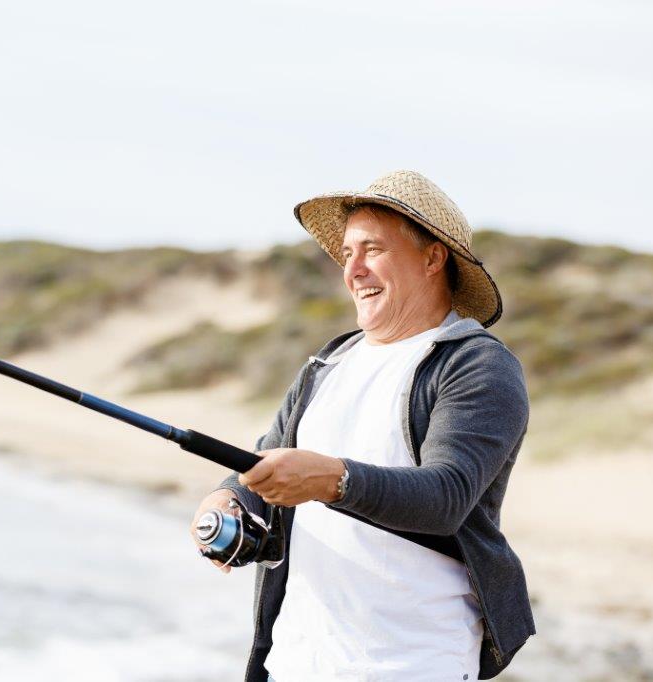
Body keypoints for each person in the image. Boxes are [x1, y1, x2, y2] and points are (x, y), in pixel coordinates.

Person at [192, 170, 533, 681]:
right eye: (347, 253)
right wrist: (226, 497)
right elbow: (264, 465)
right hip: (295, 658)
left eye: (372, 249)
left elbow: (446, 498)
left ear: (433, 256)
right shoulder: (329, 361)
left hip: (413, 663)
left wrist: (332, 479)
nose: (354, 270)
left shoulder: (477, 366)